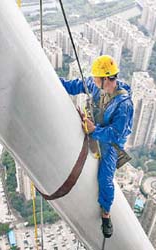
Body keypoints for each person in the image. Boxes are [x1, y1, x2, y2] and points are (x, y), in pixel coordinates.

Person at [59, 55, 134, 238]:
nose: (92, 81)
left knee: (105, 180)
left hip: (110, 145)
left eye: (96, 78)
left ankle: (106, 214)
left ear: (107, 79)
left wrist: (94, 131)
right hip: (93, 128)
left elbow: (117, 134)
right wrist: (51, 79)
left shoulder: (124, 105)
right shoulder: (96, 87)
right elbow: (76, 85)